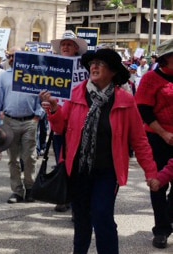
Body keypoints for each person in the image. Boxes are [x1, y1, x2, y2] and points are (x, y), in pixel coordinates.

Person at [39, 48, 158, 254]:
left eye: (100, 63)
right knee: (82, 219)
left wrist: (151, 173)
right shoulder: (76, 93)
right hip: (78, 170)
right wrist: (54, 109)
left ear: (112, 71)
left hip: (107, 172)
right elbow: (59, 128)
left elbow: (139, 141)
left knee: (102, 216)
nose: (94, 66)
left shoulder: (125, 100)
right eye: (92, 63)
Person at [0, 46, 43, 204]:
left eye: (15, 55)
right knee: (13, 159)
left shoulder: (34, 75)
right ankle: (17, 191)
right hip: (9, 123)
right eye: (9, 56)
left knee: (29, 158)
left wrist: (37, 117)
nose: (12, 59)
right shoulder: (3, 77)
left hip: (29, 122)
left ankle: (30, 188)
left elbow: (42, 97)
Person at [135, 38, 173, 249]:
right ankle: (161, 230)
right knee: (159, 183)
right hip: (157, 137)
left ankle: (168, 216)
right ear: (166, 58)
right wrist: (164, 133)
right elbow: (144, 109)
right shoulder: (151, 78)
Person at [49, 30, 88, 212]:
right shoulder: (53, 66)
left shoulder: (85, 67)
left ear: (76, 48)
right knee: (61, 160)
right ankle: (63, 196)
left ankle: (75, 200)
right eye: (63, 44)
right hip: (58, 119)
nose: (65, 47)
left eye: (69, 44)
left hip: (78, 121)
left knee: (77, 161)